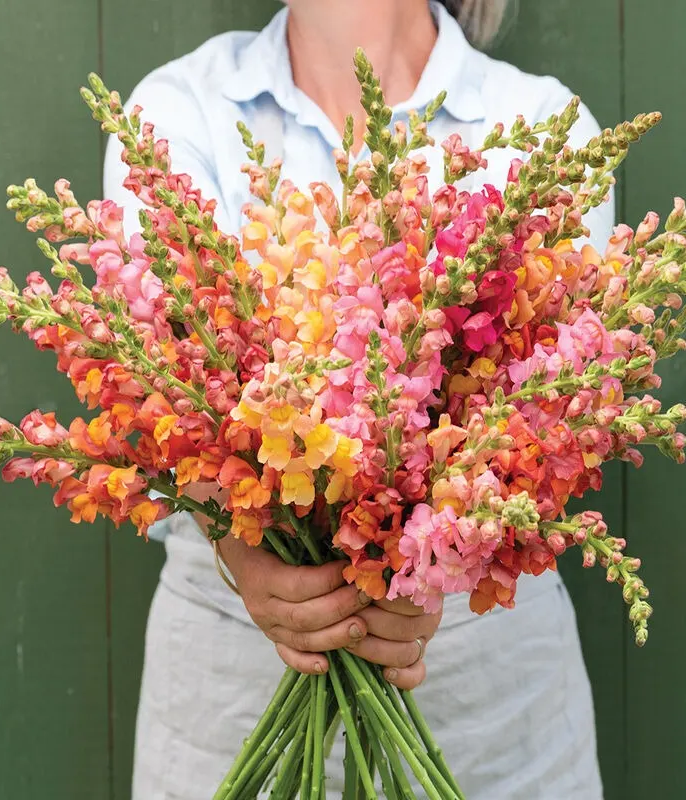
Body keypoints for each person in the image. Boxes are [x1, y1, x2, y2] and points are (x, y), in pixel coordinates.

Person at [104, 2, 613, 797]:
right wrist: (242, 548)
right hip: (228, 687)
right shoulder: (177, 111)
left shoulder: (544, 124)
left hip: (488, 709)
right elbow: (151, 381)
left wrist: (435, 560)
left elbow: (551, 411)